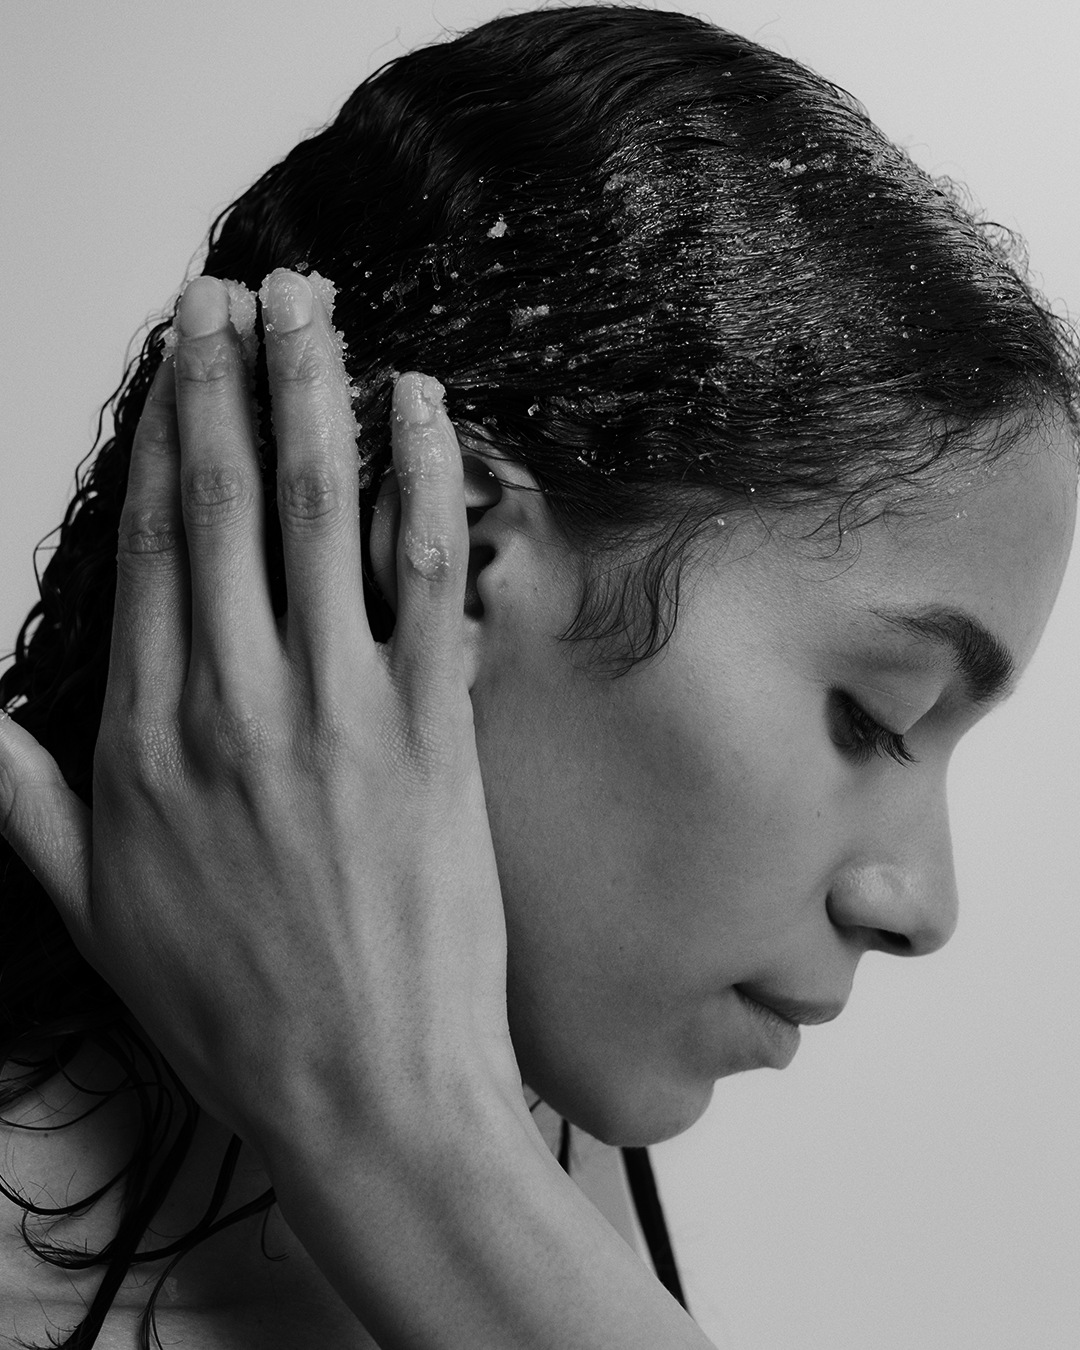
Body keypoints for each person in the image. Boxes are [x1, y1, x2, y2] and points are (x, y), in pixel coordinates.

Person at [0, 5, 1076, 1346]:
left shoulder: (534, 1136)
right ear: (443, 544)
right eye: (878, 712)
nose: (927, 905)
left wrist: (414, 1140)